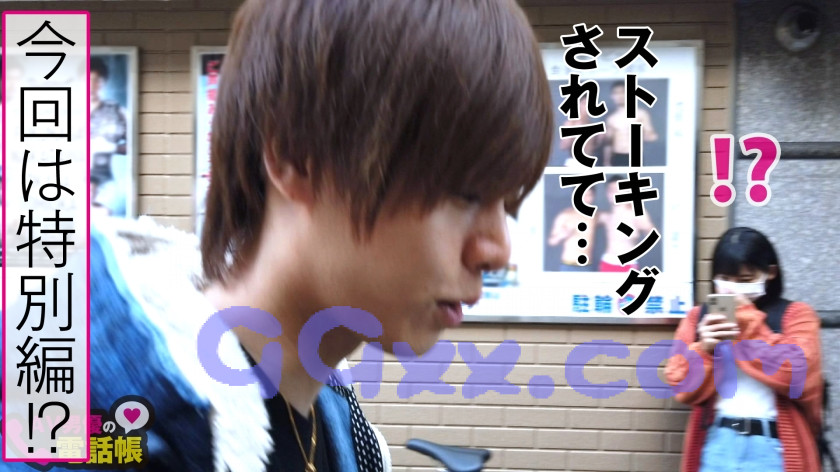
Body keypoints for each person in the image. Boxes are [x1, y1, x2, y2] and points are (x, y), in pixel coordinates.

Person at [1, 0, 554, 471]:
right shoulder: (85, 428)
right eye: (464, 193)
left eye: (507, 203)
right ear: (296, 157)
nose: (497, 251)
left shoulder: (346, 435)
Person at [665, 227, 824, 472]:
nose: (732, 288)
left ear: (770, 272)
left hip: (773, 446)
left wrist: (747, 321)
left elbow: (797, 374)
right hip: (718, 441)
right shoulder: (699, 317)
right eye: (725, 279)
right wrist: (705, 350)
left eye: (745, 280)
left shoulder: (796, 315)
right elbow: (681, 386)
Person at [89, 56, 128, 216]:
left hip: (105, 186)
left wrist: (112, 147)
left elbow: (136, 144)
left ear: (103, 83)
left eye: (97, 80)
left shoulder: (116, 112)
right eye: (87, 79)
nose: (92, 86)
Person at [598, 175, 657, 272]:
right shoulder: (606, 216)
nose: (613, 193)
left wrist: (631, 233)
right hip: (607, 262)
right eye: (610, 190)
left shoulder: (636, 213)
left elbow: (653, 235)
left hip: (628, 264)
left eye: (617, 190)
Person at [604, 80, 658, 167]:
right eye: (616, 93)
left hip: (635, 155)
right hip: (617, 157)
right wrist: (606, 162)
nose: (620, 96)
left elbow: (652, 136)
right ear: (612, 96)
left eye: (623, 92)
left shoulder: (641, 114)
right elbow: (608, 144)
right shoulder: (611, 119)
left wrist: (640, 132)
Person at [547, 186, 598, 271]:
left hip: (587, 265)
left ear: (594, 196)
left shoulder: (596, 216)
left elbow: (612, 219)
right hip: (568, 265)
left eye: (589, 195)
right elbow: (551, 241)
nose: (585, 198)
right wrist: (561, 236)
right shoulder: (564, 215)